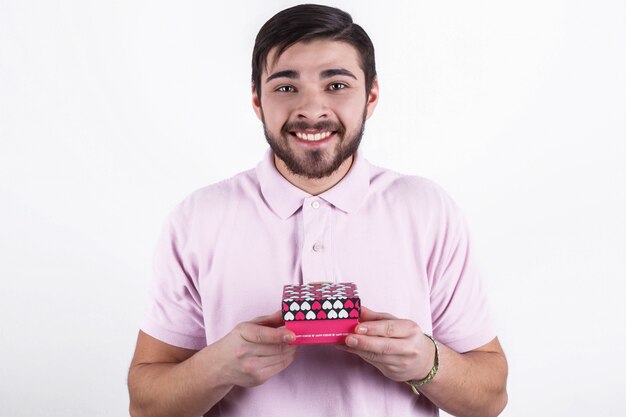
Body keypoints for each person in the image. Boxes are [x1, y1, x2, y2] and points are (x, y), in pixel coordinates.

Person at [128, 4, 508, 417]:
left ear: (371, 96)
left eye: (337, 85)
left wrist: (428, 363)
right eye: (286, 88)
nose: (312, 110)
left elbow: (490, 399)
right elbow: (145, 405)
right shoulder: (197, 219)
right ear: (257, 100)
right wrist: (216, 367)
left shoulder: (427, 209)